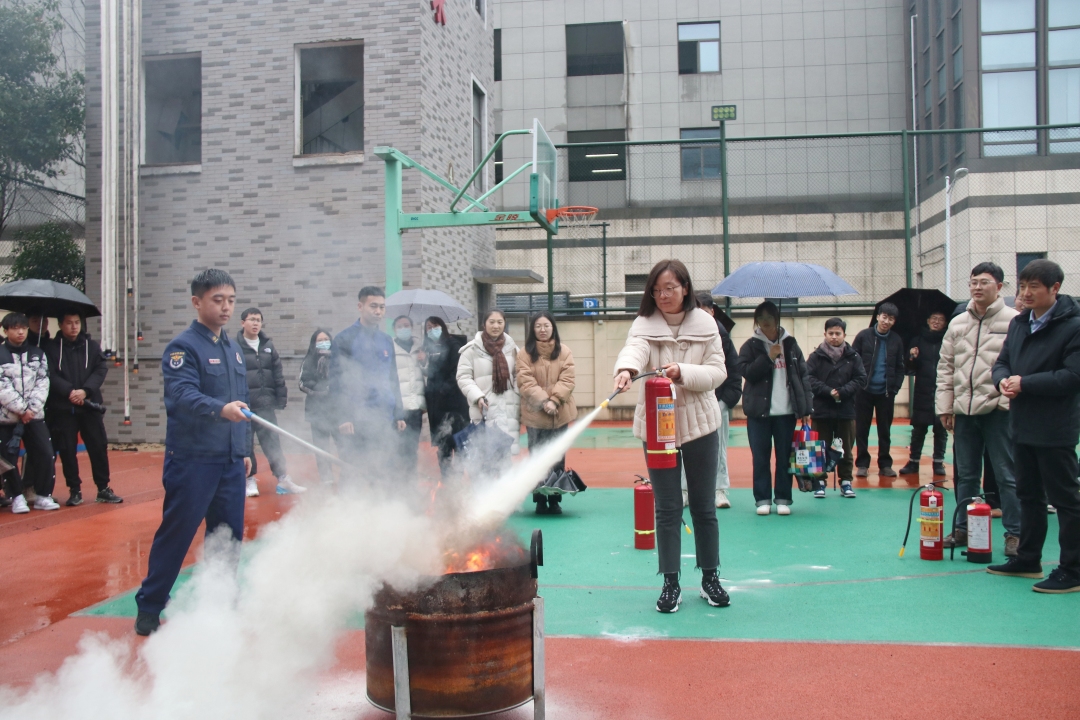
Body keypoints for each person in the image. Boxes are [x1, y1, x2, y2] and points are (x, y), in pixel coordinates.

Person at [134, 269, 253, 636]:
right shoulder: (182, 348)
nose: (226, 307)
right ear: (197, 302)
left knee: (228, 535)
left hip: (229, 460)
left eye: (231, 300)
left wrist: (244, 449)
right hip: (193, 459)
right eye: (218, 300)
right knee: (178, 533)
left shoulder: (233, 349)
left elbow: (244, 404)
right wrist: (220, 409)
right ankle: (150, 606)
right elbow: (182, 396)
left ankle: (219, 600)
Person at [612, 259, 728, 613]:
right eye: (657, 290)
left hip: (700, 425)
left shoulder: (706, 324)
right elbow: (636, 350)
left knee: (704, 506)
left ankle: (710, 578)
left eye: (670, 288)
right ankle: (670, 583)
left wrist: (682, 372)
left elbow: (717, 372)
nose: (663, 295)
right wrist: (626, 369)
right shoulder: (643, 323)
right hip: (657, 429)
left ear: (685, 288)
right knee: (667, 507)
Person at [990, 259, 1080, 592]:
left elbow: (1072, 376)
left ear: (1054, 288)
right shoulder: (1019, 323)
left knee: (1066, 499)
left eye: (1034, 287)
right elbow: (1002, 363)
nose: (1026, 293)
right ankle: (1028, 559)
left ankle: (1073, 570)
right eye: (1023, 286)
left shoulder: (1073, 326)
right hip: (1021, 424)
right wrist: (1003, 380)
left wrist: (1025, 383)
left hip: (1055, 428)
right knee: (1028, 495)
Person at [936, 262, 1021, 556]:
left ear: (999, 286)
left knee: (1007, 474)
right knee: (966, 475)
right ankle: (962, 529)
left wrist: (1005, 401)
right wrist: (946, 407)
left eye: (984, 282)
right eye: (973, 282)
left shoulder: (1014, 321)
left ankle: (1015, 534)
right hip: (964, 411)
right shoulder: (958, 323)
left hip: (999, 411)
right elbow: (946, 367)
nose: (977, 287)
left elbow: (1021, 364)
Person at [739, 301, 813, 515]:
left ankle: (783, 498)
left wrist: (806, 409)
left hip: (786, 412)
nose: (765, 322)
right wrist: (768, 357)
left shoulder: (791, 344)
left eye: (769, 317)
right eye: (760, 318)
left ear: (776, 319)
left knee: (784, 456)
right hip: (758, 413)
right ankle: (762, 499)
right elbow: (747, 372)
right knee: (760, 457)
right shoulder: (750, 345)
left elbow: (803, 375)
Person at [43, 312, 123, 506]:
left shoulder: (92, 346)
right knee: (67, 450)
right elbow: (50, 374)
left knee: (98, 446)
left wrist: (85, 391)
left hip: (89, 406)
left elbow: (100, 369)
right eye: (69, 323)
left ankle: (103, 488)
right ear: (60, 324)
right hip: (63, 408)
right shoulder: (51, 348)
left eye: (77, 322)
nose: (74, 327)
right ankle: (74, 490)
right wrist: (69, 391)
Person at [329, 287, 406, 478]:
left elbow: (393, 378)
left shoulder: (386, 340)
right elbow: (337, 381)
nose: (378, 311)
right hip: (356, 419)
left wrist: (398, 413)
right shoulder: (344, 339)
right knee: (354, 473)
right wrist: (343, 416)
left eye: (382, 307)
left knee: (383, 471)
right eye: (373, 306)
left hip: (384, 417)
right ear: (360, 306)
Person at [236, 308, 304, 496]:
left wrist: (280, 399)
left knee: (273, 443)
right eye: (252, 319)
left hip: (266, 404)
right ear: (243, 323)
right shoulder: (235, 347)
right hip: (246, 407)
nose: (255, 323)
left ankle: (283, 479)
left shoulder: (268, 346)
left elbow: (277, 374)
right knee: (246, 445)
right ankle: (249, 480)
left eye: (258, 320)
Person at [517, 311, 577, 515]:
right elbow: (525, 382)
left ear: (553, 328)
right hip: (535, 416)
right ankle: (540, 501)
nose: (542, 330)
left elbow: (568, 379)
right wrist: (544, 401)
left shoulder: (564, 352)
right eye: (538, 326)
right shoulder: (524, 353)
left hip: (560, 414)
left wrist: (555, 400)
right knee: (537, 458)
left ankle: (555, 500)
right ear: (532, 329)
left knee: (558, 457)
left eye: (546, 326)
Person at [0, 313, 59, 513]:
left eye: (23, 328)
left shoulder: (38, 353)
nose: (20, 332)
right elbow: (2, 387)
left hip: (34, 416)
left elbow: (43, 381)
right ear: (5, 331)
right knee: (8, 458)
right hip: (7, 418)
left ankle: (43, 494)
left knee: (45, 453)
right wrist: (21, 409)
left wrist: (31, 409)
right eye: (15, 328)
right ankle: (16, 496)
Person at [806, 317, 867, 499]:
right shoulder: (815, 357)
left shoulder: (853, 357)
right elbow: (808, 378)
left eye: (837, 333)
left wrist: (843, 392)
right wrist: (828, 391)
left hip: (846, 410)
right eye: (830, 333)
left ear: (844, 335)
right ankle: (820, 482)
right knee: (819, 448)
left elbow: (861, 378)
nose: (834, 337)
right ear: (824, 334)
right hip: (821, 411)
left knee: (846, 449)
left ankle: (846, 481)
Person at [691, 293, 742, 509]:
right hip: (690, 403)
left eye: (705, 311)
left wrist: (725, 402)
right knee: (685, 447)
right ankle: (685, 490)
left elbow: (734, 372)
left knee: (718, 448)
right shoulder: (686, 337)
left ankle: (720, 490)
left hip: (717, 402)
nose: (701, 316)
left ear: (712, 312)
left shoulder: (723, 337)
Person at [457, 309, 521, 477]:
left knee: (505, 460)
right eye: (491, 322)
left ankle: (504, 494)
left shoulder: (512, 348)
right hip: (483, 410)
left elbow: (519, 375)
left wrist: (516, 393)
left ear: (504, 324)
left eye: (500, 322)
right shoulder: (471, 350)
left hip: (507, 412)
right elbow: (463, 377)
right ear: (484, 324)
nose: (496, 326)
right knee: (483, 461)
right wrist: (477, 396)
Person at [852, 302, 906, 478]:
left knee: (885, 430)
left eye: (891, 319)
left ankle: (885, 464)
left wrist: (895, 388)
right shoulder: (863, 336)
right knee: (861, 429)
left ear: (894, 321)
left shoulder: (896, 340)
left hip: (886, 393)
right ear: (877, 317)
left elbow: (900, 367)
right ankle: (862, 464)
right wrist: (856, 384)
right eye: (884, 317)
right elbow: (852, 361)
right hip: (863, 392)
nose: (886, 321)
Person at [900, 311, 949, 477]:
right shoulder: (918, 340)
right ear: (927, 321)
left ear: (945, 323)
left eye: (940, 319)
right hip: (922, 390)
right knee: (918, 429)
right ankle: (913, 462)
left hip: (942, 390)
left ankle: (938, 462)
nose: (936, 322)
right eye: (933, 318)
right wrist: (912, 357)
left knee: (940, 428)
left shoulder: (947, 340)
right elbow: (909, 368)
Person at [420, 316, 470, 478]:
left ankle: (459, 478)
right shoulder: (427, 349)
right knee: (442, 445)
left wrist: (442, 390)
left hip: (454, 405)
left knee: (458, 443)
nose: (432, 330)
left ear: (442, 327)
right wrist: (423, 362)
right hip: (436, 407)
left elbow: (456, 373)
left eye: (435, 326)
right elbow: (430, 373)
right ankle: (446, 478)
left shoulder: (453, 345)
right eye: (428, 327)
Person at [298, 328, 337, 486]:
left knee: (343, 443)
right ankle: (326, 476)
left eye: (326, 339)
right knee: (321, 445)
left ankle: (348, 475)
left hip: (337, 411)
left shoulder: (338, 358)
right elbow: (303, 383)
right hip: (317, 411)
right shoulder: (309, 360)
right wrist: (321, 389)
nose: (323, 342)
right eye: (319, 340)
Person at [392, 316, 427, 479]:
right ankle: (397, 481)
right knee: (398, 447)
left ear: (412, 328)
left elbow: (428, 373)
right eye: (399, 326)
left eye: (406, 325)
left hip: (416, 407)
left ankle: (410, 481)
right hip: (399, 407)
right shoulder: (390, 349)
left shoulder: (419, 349)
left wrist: (424, 361)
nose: (403, 329)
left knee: (412, 447)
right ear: (394, 329)